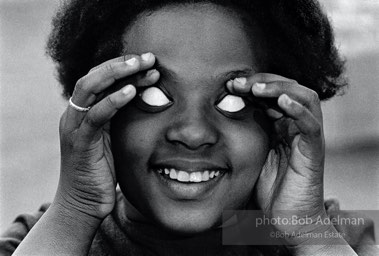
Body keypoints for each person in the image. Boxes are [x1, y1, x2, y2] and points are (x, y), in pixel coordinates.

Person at [0, 0, 377, 255]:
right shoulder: (46, 236)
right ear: (103, 114)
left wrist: (310, 234)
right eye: (154, 98)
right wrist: (74, 211)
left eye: (233, 102)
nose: (194, 133)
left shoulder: (339, 237)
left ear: (279, 124)